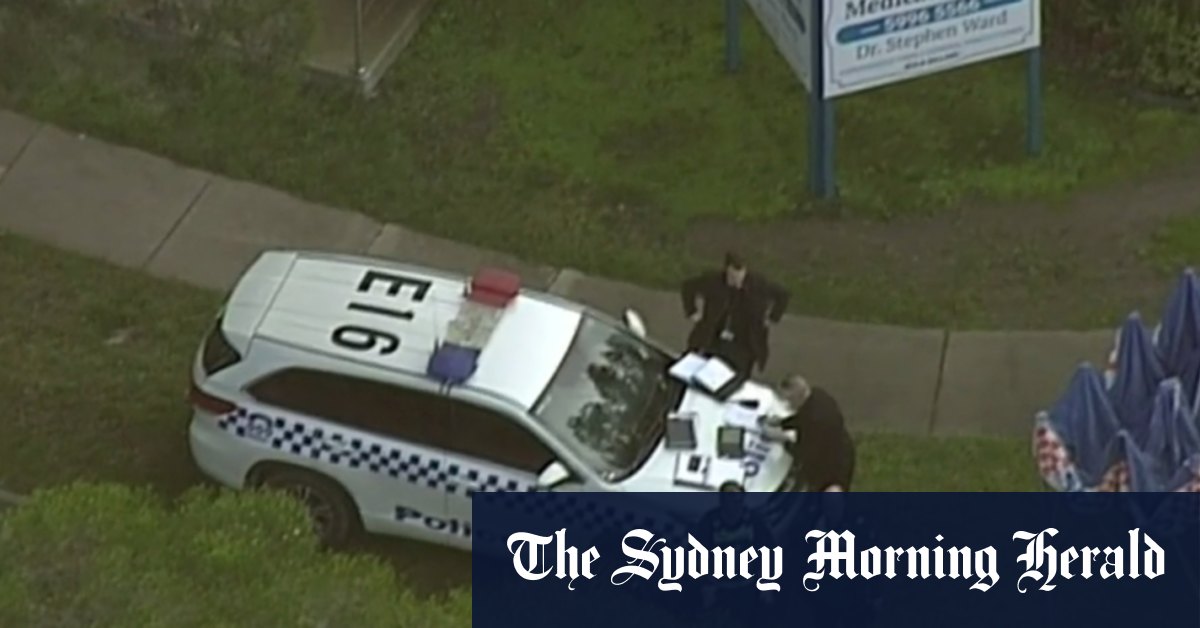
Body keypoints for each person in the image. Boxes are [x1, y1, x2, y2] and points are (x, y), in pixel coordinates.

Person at [681, 252, 790, 378]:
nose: (737, 280)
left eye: (740, 275)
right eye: (733, 276)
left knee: (738, 373)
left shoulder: (758, 284)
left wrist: (772, 318)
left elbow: (783, 295)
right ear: (727, 270)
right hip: (714, 336)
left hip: (744, 340)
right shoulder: (713, 281)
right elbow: (688, 287)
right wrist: (692, 311)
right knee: (705, 368)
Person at [694, 482, 776, 628]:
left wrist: (767, 585)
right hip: (718, 589)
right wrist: (704, 586)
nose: (732, 503)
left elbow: (768, 552)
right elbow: (696, 556)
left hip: (748, 587)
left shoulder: (754, 521)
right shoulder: (709, 522)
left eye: (736, 498)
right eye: (728, 498)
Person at [760, 375, 856, 491]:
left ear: (797, 397)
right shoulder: (816, 396)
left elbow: (804, 451)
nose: (788, 404)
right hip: (838, 448)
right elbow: (801, 418)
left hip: (833, 466)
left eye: (789, 400)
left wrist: (782, 440)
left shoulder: (816, 420)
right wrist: (782, 424)